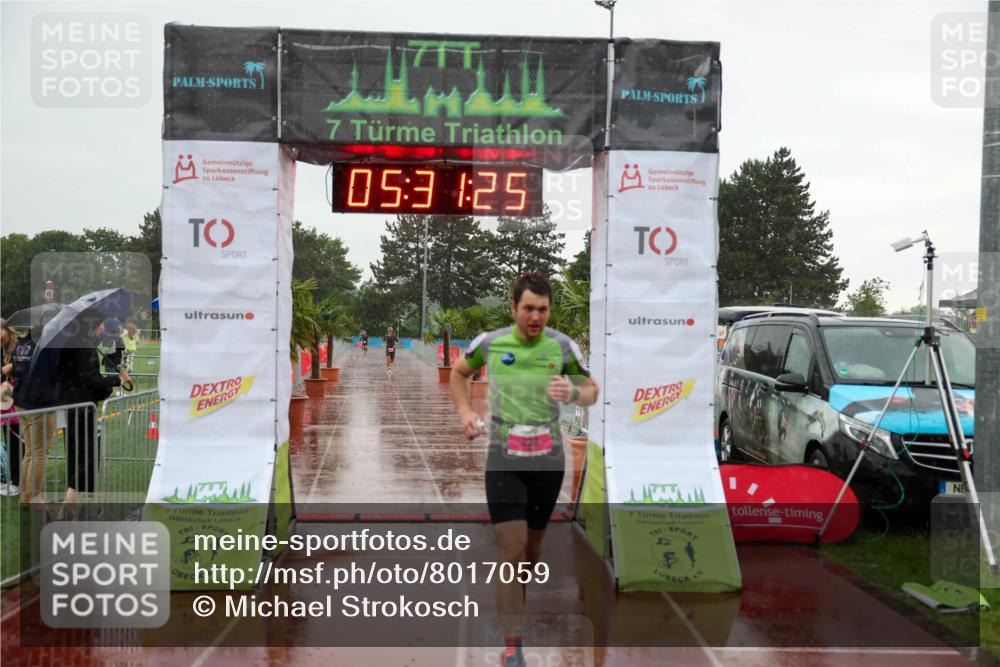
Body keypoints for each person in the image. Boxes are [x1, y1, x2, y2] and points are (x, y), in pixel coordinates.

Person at [449, 272, 600, 667]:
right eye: (529, 308)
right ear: (513, 307)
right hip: (504, 460)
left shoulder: (562, 346)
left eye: (543, 310)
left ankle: (517, 598)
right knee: (512, 549)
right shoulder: (491, 343)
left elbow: (592, 391)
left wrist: (572, 391)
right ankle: (512, 647)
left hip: (548, 462)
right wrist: (465, 413)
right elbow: (458, 373)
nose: (536, 317)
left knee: (531, 553)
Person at [57, 309, 131, 510]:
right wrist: (117, 380)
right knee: (86, 452)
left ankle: (85, 495)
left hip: (69, 403)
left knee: (74, 451)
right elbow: (91, 380)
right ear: (93, 325)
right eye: (102, 324)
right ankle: (70, 501)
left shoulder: (70, 344)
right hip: (82, 406)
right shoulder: (84, 347)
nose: (104, 327)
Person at [11, 307, 61, 504]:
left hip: (22, 400)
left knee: (31, 451)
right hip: (40, 402)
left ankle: (26, 496)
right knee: (39, 453)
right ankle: (35, 497)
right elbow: (55, 372)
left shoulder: (23, 343)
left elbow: (16, 368)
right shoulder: (49, 343)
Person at [1, 319, 22, 496]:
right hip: (6, 403)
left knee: (18, 442)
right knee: (10, 441)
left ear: (7, 330)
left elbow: (25, 367)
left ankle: (18, 481)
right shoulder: (1, 350)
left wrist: (13, 366)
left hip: (20, 403)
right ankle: (14, 479)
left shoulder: (19, 347)